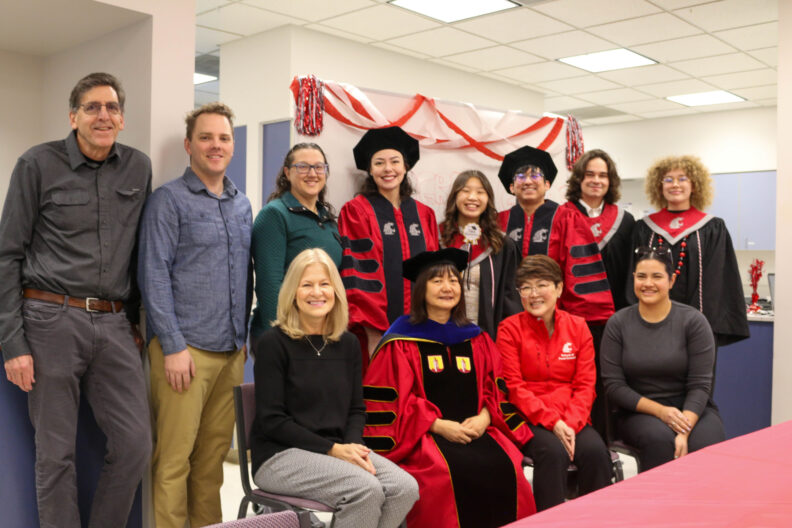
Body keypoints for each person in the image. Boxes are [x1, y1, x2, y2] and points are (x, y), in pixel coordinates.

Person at [0, 72, 151, 528]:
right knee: (56, 453)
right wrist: (13, 342)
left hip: (113, 323)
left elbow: (139, 250)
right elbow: (7, 254)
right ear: (73, 117)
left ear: (122, 119)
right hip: (49, 319)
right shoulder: (36, 164)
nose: (102, 115)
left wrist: (137, 322)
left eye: (111, 107)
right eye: (92, 107)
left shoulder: (138, 167)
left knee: (135, 444)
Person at [363, 248, 536, 528]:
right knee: (444, 474)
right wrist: (437, 425)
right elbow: (392, 404)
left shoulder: (476, 338)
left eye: (454, 281)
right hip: (425, 438)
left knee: (507, 467)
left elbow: (497, 388)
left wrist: (485, 418)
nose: (448, 288)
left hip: (477, 430)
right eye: (437, 281)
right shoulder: (399, 341)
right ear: (421, 289)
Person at [138, 102, 251, 528]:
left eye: (223, 138)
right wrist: (172, 345)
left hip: (230, 353)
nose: (215, 145)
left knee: (212, 465)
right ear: (189, 144)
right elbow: (153, 276)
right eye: (206, 137)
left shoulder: (242, 206)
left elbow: (245, 275)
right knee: (173, 463)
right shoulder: (168, 201)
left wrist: (242, 340)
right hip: (184, 353)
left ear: (233, 146)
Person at [251, 248, 418, 528]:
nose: (317, 292)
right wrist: (332, 450)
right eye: (307, 285)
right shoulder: (273, 343)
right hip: (280, 455)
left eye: (324, 284)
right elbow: (272, 421)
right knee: (364, 489)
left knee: (405, 487)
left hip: (336, 449)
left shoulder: (348, 343)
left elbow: (356, 408)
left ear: (336, 291)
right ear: (293, 292)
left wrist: (350, 446)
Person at [497, 255, 611, 511]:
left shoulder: (578, 327)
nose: (533, 294)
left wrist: (569, 424)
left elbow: (585, 385)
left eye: (541, 285)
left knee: (595, 452)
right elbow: (514, 387)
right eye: (526, 287)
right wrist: (554, 423)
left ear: (559, 288)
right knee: (552, 453)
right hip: (528, 418)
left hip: (573, 418)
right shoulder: (508, 329)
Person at [601, 247, 725, 471]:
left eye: (657, 276)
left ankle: (700, 506)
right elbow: (614, 386)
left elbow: (700, 384)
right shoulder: (617, 324)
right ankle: (661, 506)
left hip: (693, 408)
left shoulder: (694, 322)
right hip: (640, 412)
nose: (648, 283)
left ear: (671, 280)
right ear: (633, 280)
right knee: (660, 440)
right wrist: (661, 412)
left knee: (704, 443)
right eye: (641, 276)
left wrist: (683, 429)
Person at [339, 126, 439, 367]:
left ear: (405, 167)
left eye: (395, 161)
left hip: (423, 327)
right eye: (379, 163)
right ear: (370, 170)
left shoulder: (424, 215)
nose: (388, 169)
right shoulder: (357, 212)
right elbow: (360, 276)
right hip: (377, 332)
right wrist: (375, 332)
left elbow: (435, 273)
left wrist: (435, 319)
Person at [631, 155, 748, 347]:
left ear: (694, 185)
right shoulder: (643, 228)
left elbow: (717, 281)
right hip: (650, 323)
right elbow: (633, 277)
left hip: (697, 327)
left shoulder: (713, 228)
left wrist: (696, 323)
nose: (675, 184)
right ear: (659, 187)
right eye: (668, 179)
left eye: (682, 178)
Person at [559, 149, 635, 438]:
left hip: (612, 323)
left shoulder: (624, 221)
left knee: (606, 382)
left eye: (602, 175)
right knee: (573, 382)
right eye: (589, 174)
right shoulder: (562, 216)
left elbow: (629, 273)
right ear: (579, 178)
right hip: (571, 321)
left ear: (610, 181)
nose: (596, 180)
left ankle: (604, 444)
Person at [497, 145, 614, 327]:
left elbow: (580, 276)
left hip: (555, 320)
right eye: (521, 176)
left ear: (547, 184)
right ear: (512, 187)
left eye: (535, 175)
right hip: (508, 319)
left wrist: (578, 324)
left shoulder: (568, 219)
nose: (528, 181)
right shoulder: (499, 222)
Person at [249, 143, 341, 342]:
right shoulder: (275, 214)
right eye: (303, 167)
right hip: (286, 334)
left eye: (318, 167)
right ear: (287, 173)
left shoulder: (328, 218)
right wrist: (281, 337)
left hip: (320, 331)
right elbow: (269, 284)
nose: (312, 173)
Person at [439, 169, 521, 339]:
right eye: (465, 191)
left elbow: (510, 297)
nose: (472, 197)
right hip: (444, 335)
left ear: (488, 199)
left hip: (486, 336)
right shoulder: (437, 238)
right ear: (455, 196)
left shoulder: (501, 245)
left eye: (480, 192)